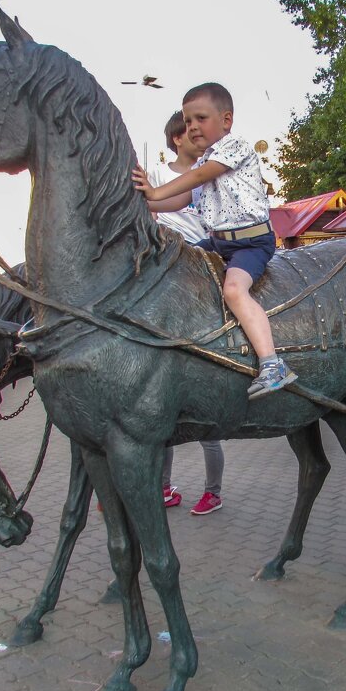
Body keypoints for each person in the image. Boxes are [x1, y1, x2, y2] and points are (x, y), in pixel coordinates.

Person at [132, 82, 296, 400]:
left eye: (200, 118)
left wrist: (153, 191)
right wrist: (143, 201)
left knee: (234, 290)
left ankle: (273, 365)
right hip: (218, 242)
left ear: (226, 120)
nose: (192, 126)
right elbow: (179, 200)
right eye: (187, 120)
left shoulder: (233, 148)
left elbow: (196, 178)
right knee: (172, 264)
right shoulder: (199, 163)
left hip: (250, 243)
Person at [149, 110, 226, 515]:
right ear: (177, 138)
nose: (200, 138)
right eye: (192, 133)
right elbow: (149, 212)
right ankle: (161, 488)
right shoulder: (160, 174)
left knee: (207, 426)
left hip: (207, 256)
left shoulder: (212, 170)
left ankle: (214, 489)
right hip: (173, 262)